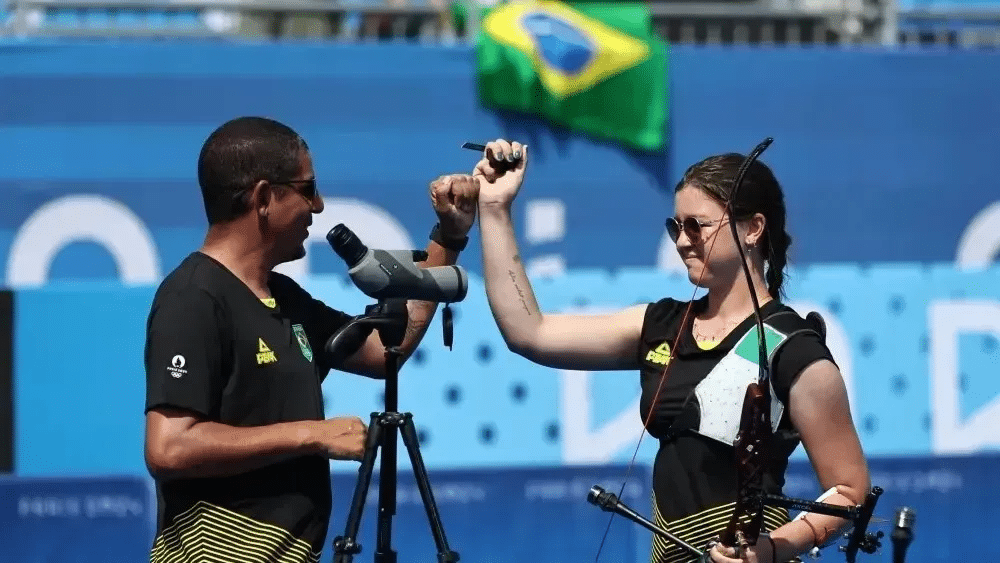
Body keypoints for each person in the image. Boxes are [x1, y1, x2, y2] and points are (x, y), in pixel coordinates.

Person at [458, 138, 871, 563]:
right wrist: (494, 208)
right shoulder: (661, 324)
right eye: (676, 227)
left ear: (753, 228)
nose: (682, 241)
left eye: (698, 226)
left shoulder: (794, 348)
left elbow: (849, 492)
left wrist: (769, 550)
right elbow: (530, 332)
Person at [143, 116, 478, 563]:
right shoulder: (192, 296)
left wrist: (450, 235)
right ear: (263, 198)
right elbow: (169, 446)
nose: (318, 206)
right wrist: (310, 435)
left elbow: (384, 352)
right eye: (308, 188)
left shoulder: (284, 296)